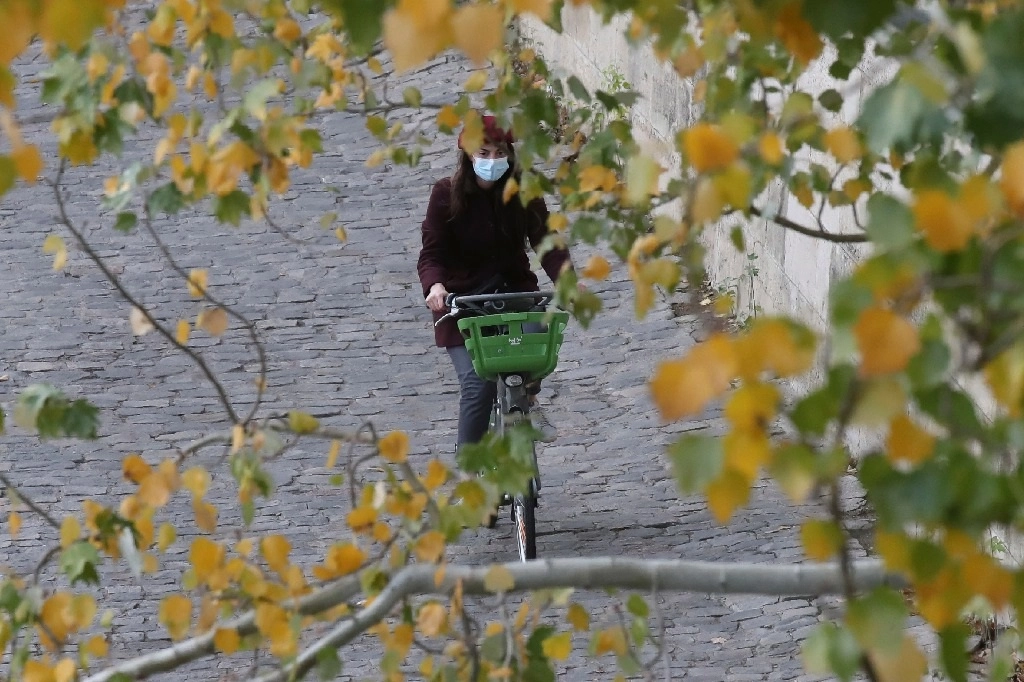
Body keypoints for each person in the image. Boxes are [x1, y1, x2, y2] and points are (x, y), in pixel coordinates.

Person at [417, 115, 573, 453]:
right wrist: (436, 287)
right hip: (463, 303)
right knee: (477, 386)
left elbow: (548, 242)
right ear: (469, 155)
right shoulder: (446, 195)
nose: (492, 161)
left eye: (499, 153)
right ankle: (471, 476)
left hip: (515, 295)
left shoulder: (524, 192)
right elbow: (432, 253)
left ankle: (527, 403)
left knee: (535, 352)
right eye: (483, 153)